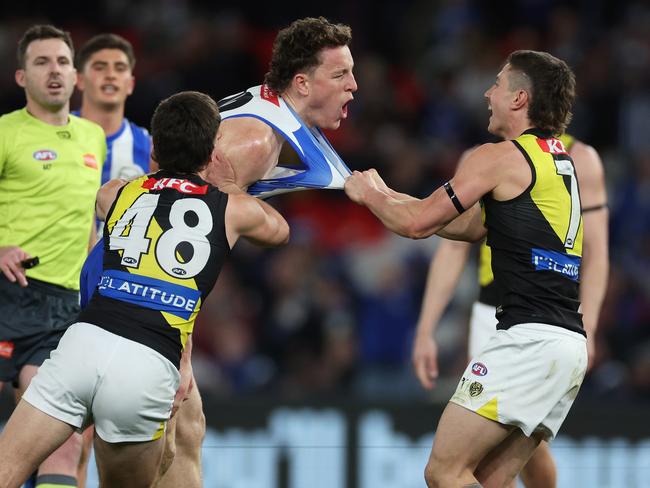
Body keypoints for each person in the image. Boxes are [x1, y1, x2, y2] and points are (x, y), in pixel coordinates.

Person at [0, 90, 290, 488]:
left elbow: (121, 204)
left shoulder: (116, 192)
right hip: (147, 363)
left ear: (154, 146)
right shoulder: (233, 209)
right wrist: (229, 185)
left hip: (84, 343)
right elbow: (279, 231)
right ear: (211, 153)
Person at [345, 50, 588, 487]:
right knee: (483, 479)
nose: (487, 92)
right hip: (566, 345)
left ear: (519, 99)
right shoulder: (556, 161)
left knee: (444, 472)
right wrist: (387, 192)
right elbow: (470, 226)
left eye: (497, 83)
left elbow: (419, 225)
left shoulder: (498, 157)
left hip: (527, 343)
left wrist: (368, 197)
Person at [412, 134, 608, 487]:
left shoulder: (580, 157)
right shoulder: (483, 158)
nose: (490, 94)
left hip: (542, 316)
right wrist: (426, 328)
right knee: (486, 469)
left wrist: (589, 323)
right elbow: (453, 247)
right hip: (492, 315)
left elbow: (596, 252)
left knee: (520, 459)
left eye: (500, 83)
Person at [74, 33, 205, 488]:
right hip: (60, 300)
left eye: (118, 68)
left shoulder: (156, 146)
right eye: (99, 66)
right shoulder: (53, 141)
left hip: (139, 309)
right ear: (78, 79)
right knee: (74, 442)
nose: (109, 75)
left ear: (132, 82)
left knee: (187, 426)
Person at [0, 25, 106, 488]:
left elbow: (89, 222)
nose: (55, 71)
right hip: (6, 293)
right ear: (22, 77)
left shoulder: (92, 138)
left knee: (62, 441)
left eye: (63, 61)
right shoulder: (5, 132)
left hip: (63, 308)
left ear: (76, 74)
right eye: (42, 62)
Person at [216, 16, 356, 195]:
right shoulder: (256, 141)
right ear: (302, 84)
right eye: (339, 75)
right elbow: (200, 214)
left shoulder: (265, 102)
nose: (353, 84)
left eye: (351, 72)